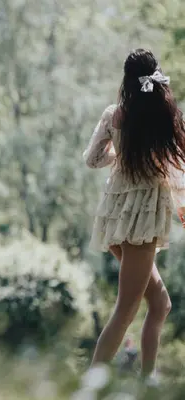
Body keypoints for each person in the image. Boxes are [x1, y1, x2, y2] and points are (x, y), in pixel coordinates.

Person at [83, 48, 185, 379]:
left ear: (126, 79)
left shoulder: (115, 114)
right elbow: (177, 166)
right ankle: (92, 385)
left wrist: (120, 154)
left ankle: (145, 381)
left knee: (160, 305)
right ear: (157, 74)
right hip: (141, 220)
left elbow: (93, 159)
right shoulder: (166, 116)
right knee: (126, 309)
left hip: (114, 215)